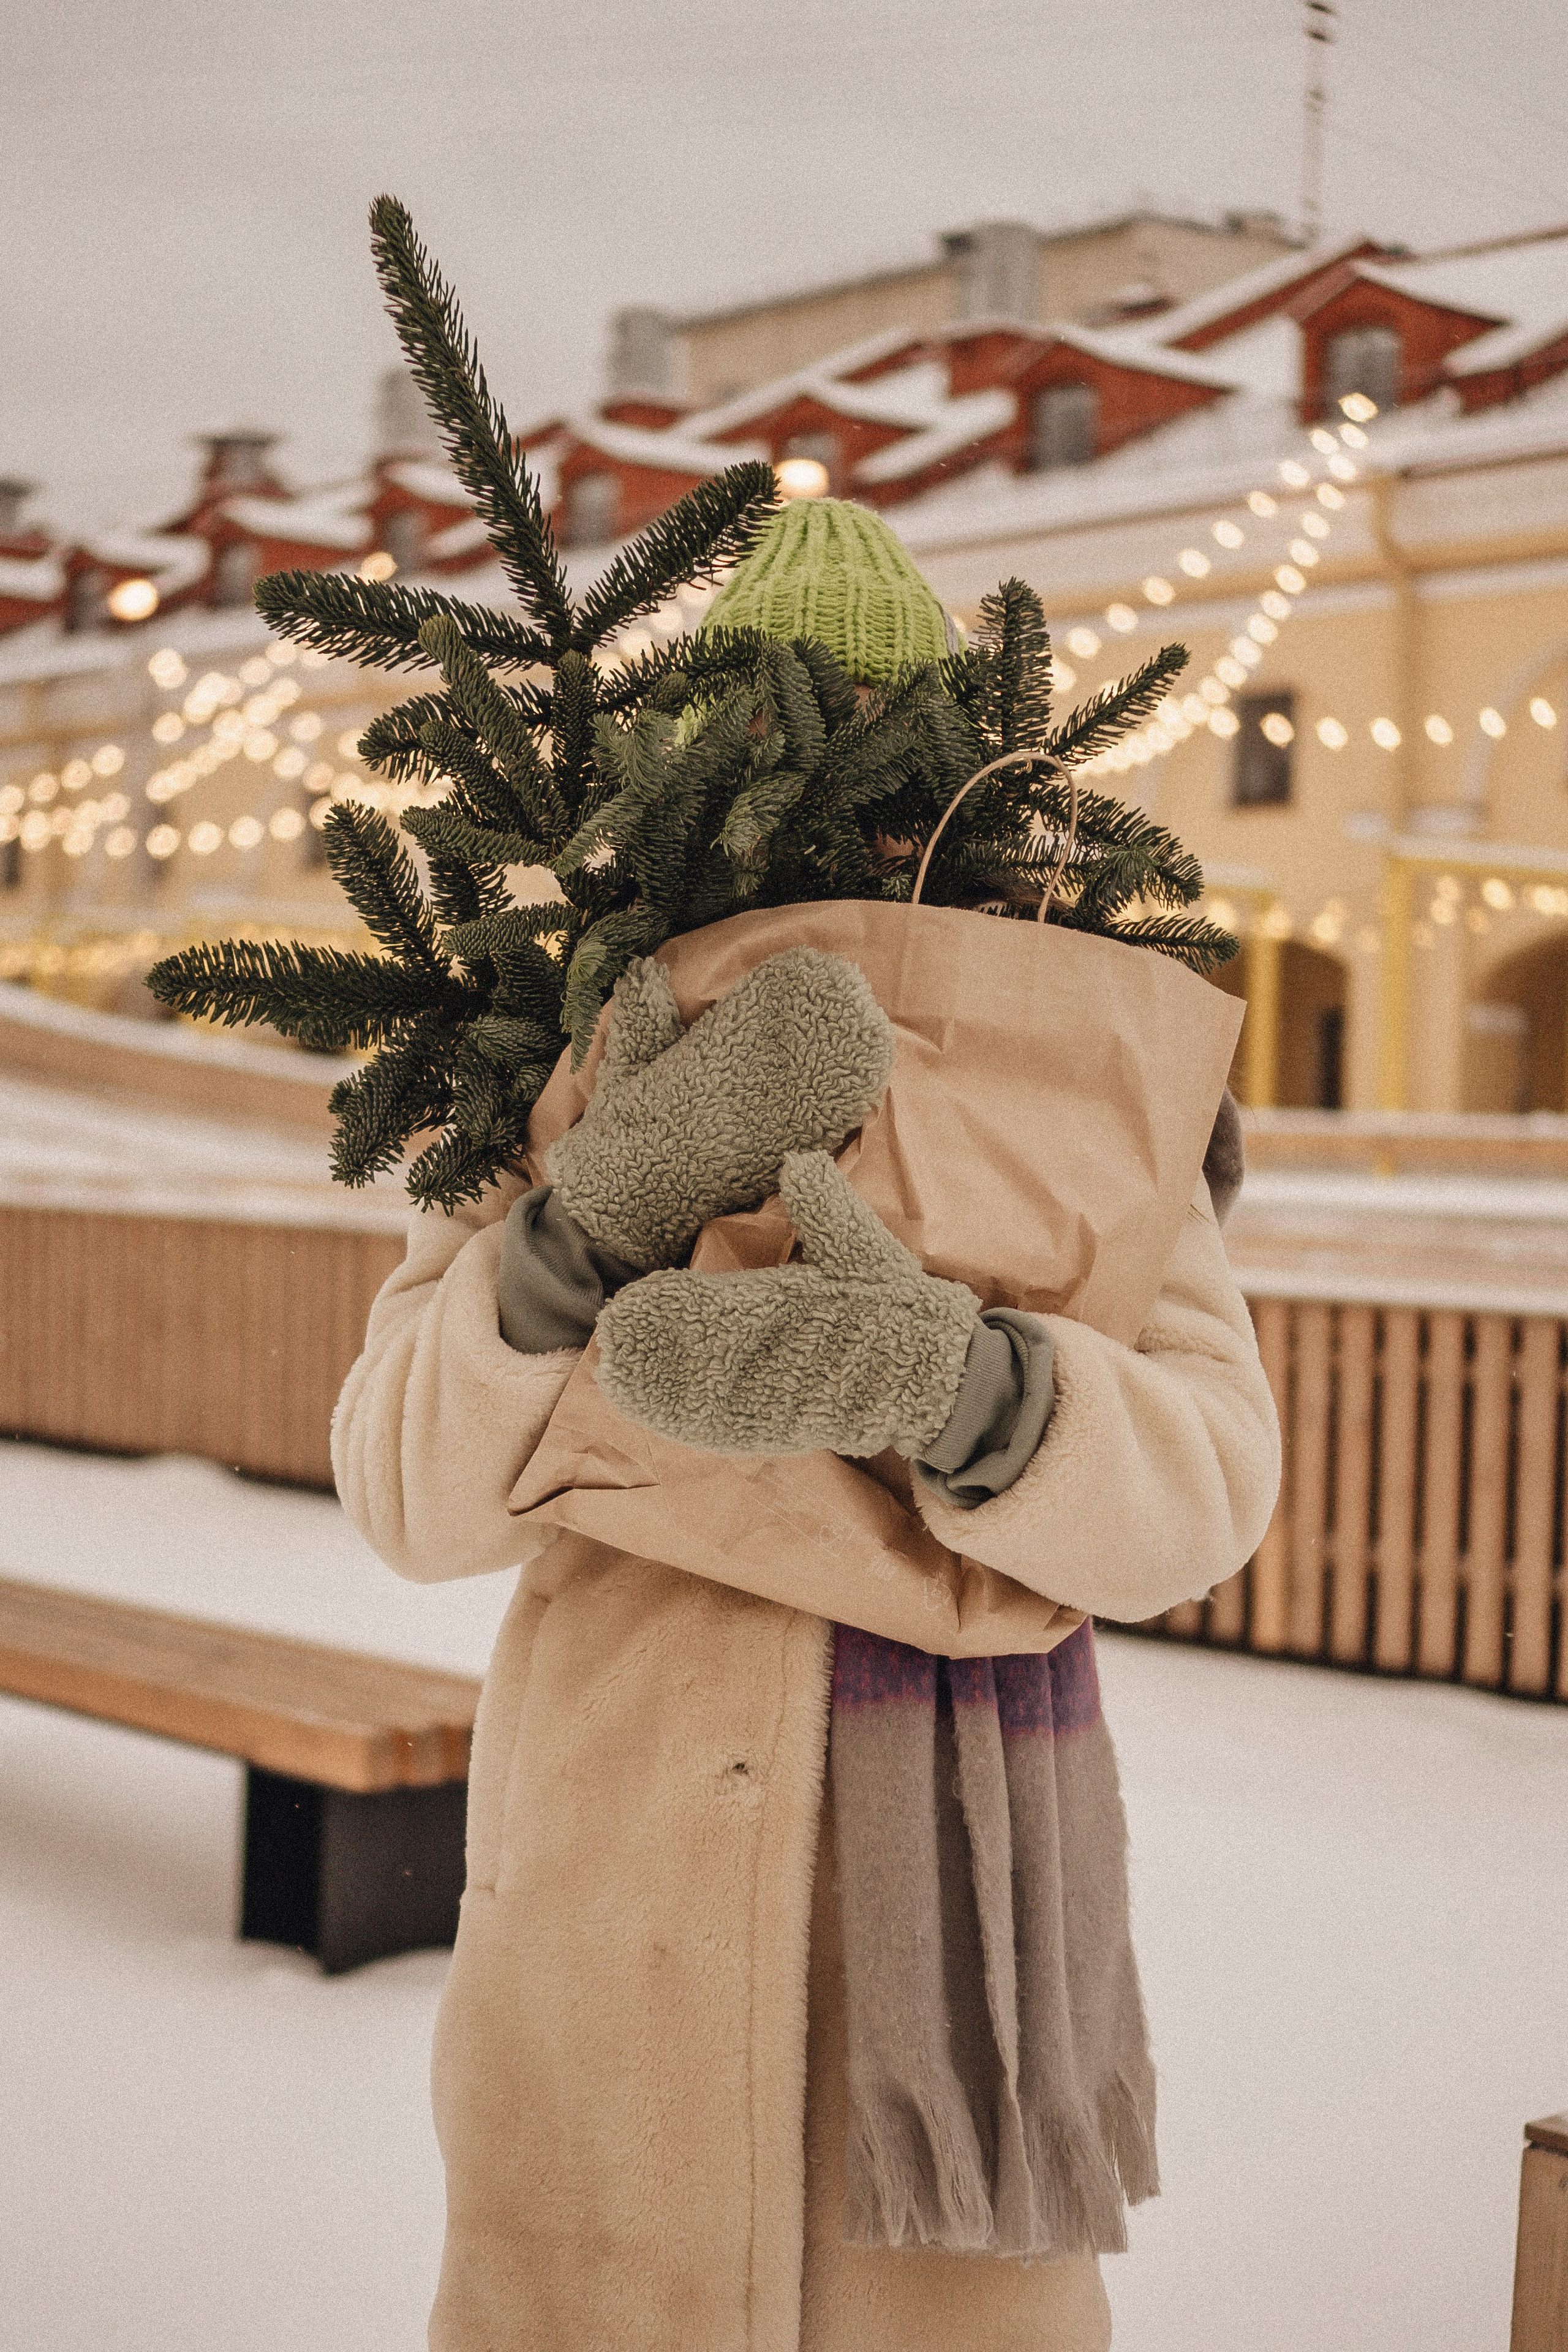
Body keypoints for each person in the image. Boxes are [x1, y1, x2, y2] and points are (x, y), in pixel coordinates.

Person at [333, 504, 1280, 2352]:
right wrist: (572, 1236)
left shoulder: (1080, 1094)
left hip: (928, 1940)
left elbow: (1208, 1492)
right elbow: (407, 1498)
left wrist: (961, 1387)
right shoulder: (555, 1076)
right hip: (613, 1890)